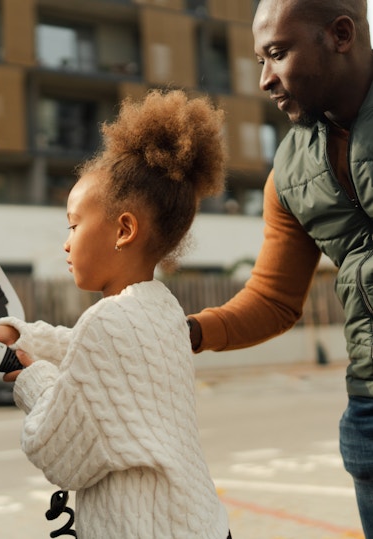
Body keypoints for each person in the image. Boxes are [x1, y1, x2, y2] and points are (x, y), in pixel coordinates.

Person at [0, 89, 231, 538]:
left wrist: (29, 377)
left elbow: (56, 449)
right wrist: (21, 336)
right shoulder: (160, 310)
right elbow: (91, 352)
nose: (66, 243)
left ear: (124, 229)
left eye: (73, 224)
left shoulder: (110, 323)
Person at [186, 0, 373, 536]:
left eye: (277, 54)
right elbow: (271, 299)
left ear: (340, 35)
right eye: (259, 60)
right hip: (369, 405)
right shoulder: (288, 174)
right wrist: (187, 333)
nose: (265, 79)